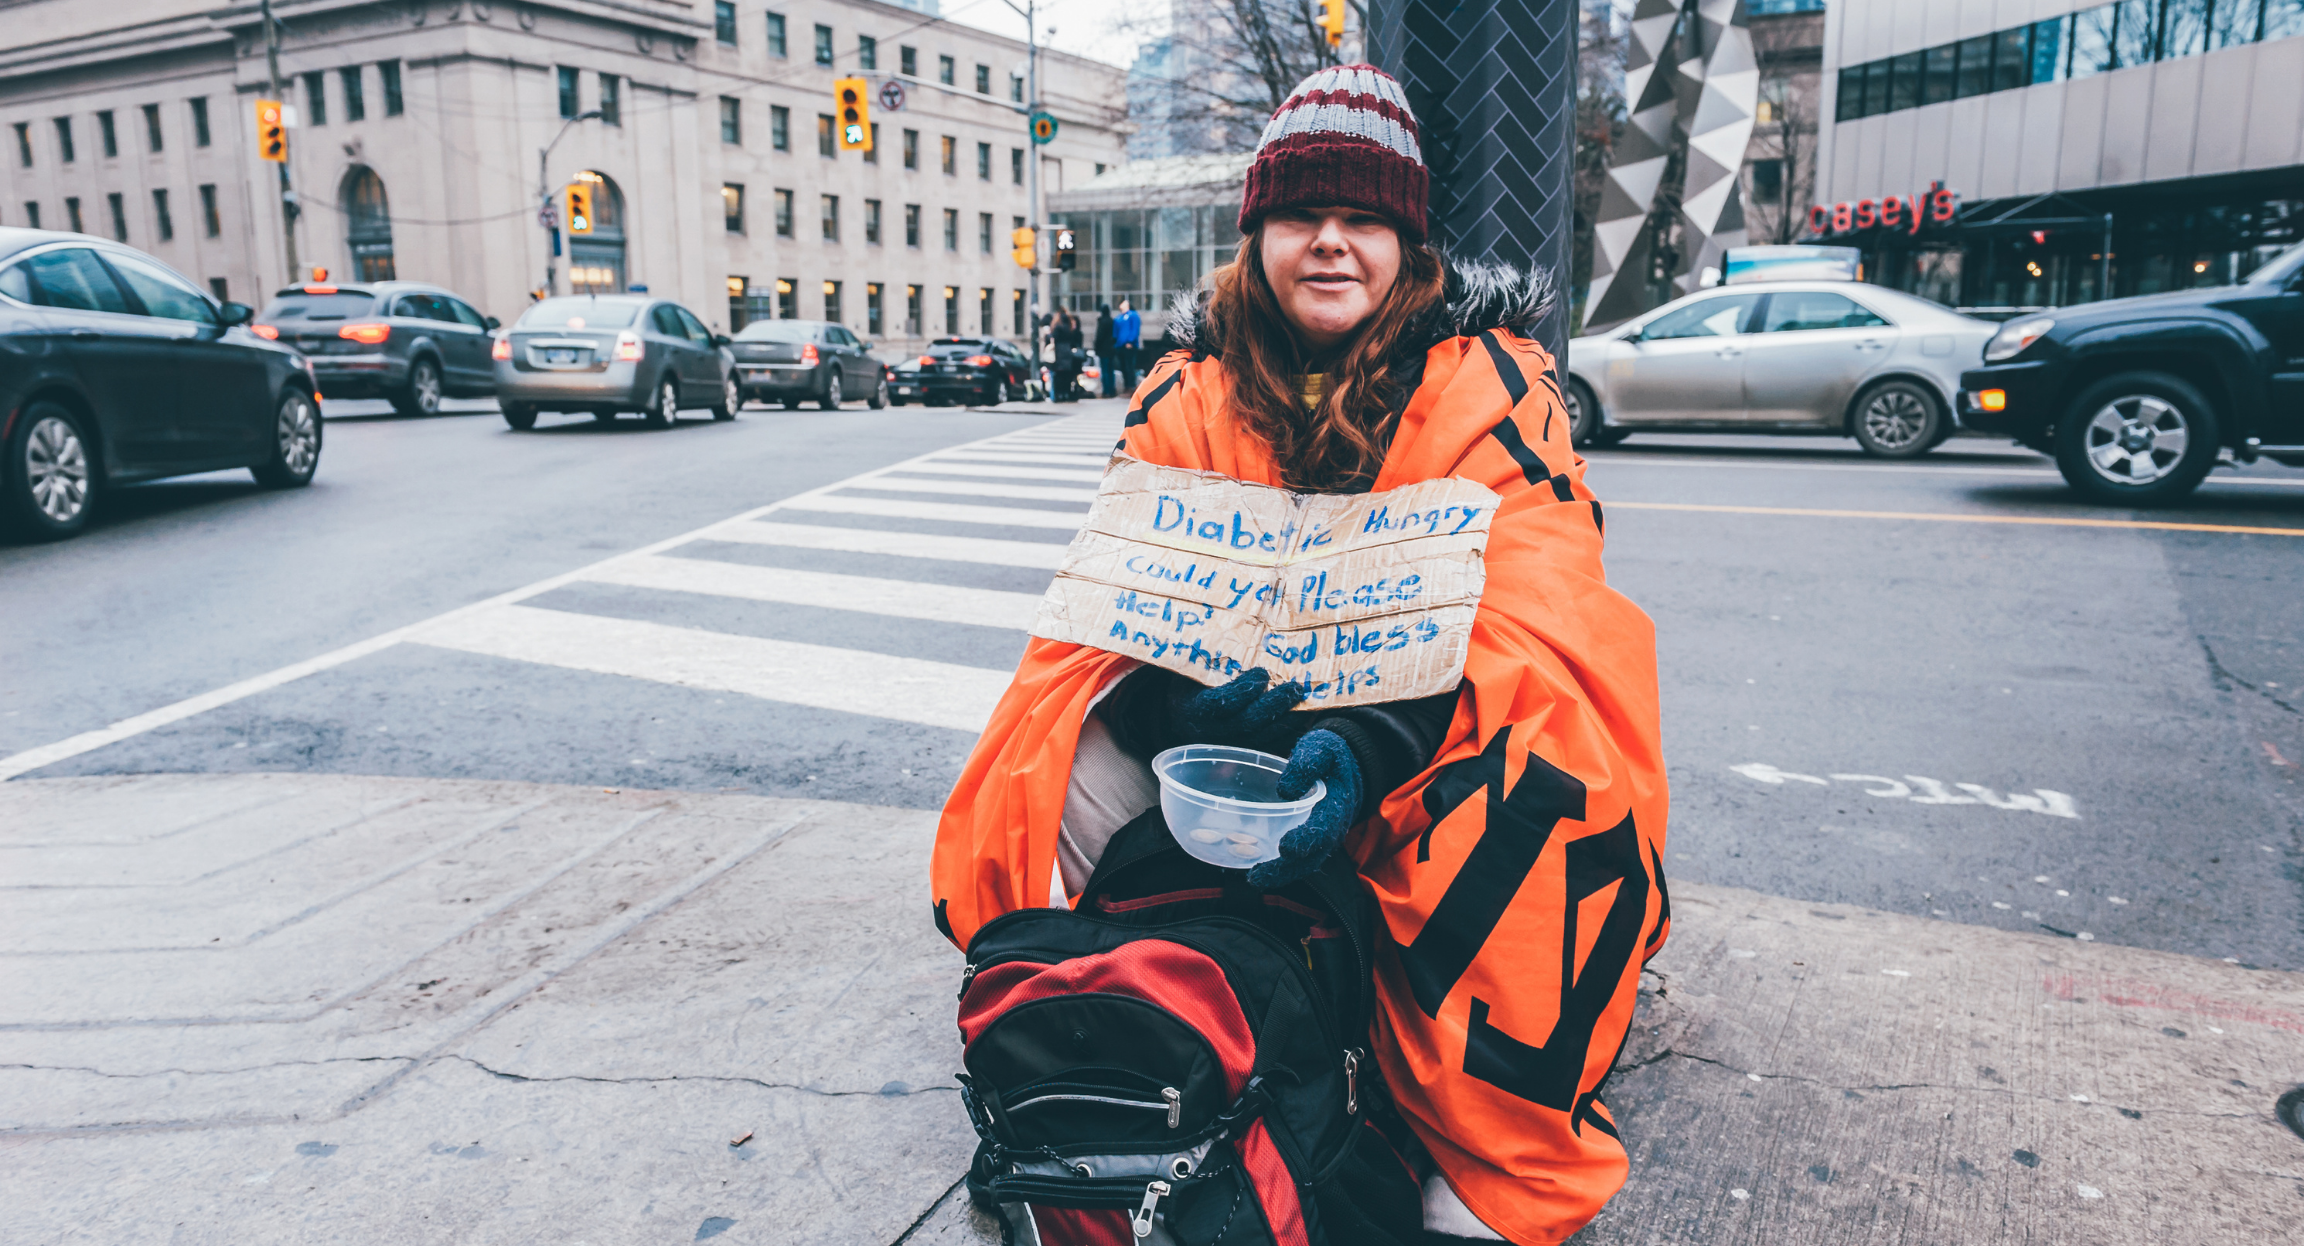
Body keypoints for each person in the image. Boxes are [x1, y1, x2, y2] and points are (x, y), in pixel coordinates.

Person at [931, 64, 1668, 1245]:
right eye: (1300, 216)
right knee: (1043, 762)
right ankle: (1111, 1006)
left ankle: (1470, 1123)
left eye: (1363, 218)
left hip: (1414, 743)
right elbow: (1122, 601)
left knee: (1547, 757)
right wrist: (1183, 708)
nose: (1331, 243)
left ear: (1406, 239)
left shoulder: (1496, 389)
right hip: (1213, 745)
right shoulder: (1185, 388)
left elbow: (1533, 606)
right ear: (1257, 233)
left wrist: (1364, 743)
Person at [1048, 306, 1085, 402]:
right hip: (1068, 352)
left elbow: (1053, 338)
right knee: (1067, 376)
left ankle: (1059, 394)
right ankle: (1066, 393)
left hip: (1059, 353)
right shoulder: (1069, 327)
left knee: (1059, 375)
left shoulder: (1057, 327)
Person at [1111, 297, 1142, 392]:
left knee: (1129, 366)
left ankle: (1131, 386)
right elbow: (1115, 331)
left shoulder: (1133, 315)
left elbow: (1135, 329)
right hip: (1120, 346)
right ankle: (1126, 386)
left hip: (1129, 346)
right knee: (1123, 367)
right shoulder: (1118, 318)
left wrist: (1130, 341)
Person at [1093, 302, 1118, 397]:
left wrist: (1096, 347)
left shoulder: (1102, 322)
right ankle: (1111, 390)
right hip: (1111, 349)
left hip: (1103, 350)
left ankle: (1106, 391)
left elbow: (1099, 336)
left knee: (1105, 371)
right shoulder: (1112, 321)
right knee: (1111, 371)